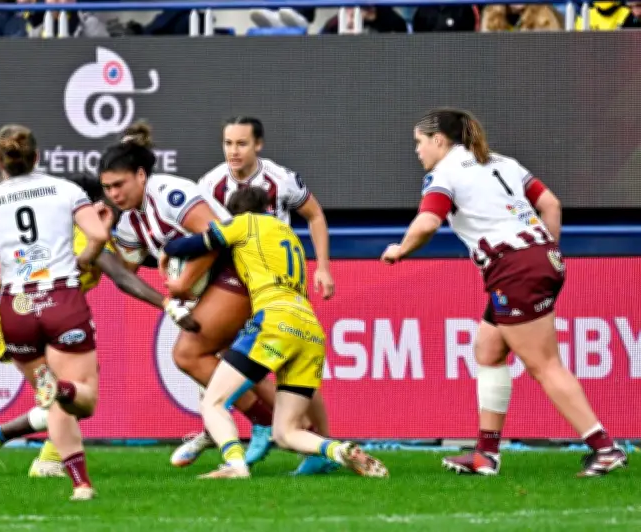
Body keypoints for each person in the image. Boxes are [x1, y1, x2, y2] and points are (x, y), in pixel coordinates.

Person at [380, 108, 628, 478]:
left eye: (419, 142)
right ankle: (486, 454)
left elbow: (429, 221)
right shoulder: (503, 162)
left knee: (544, 365)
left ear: (439, 140)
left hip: (514, 268)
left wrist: (400, 248)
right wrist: (547, 251)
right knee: (489, 348)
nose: (417, 151)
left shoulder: (444, 173)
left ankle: (604, 448)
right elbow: (551, 205)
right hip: (536, 260)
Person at [0, 172, 198, 479]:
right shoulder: (80, 234)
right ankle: (47, 461)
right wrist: (168, 305)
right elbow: (122, 277)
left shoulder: (72, 228)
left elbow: (130, 260)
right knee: (73, 392)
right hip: (33, 317)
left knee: (66, 392)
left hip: (23, 315)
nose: (113, 202)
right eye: (106, 197)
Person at [160, 186, 388, 479]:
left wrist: (166, 252)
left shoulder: (244, 223)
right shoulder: (288, 235)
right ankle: (338, 450)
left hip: (273, 320)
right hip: (309, 328)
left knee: (213, 401)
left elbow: (197, 243)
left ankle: (235, 464)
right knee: (286, 431)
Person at [100, 122, 279, 454]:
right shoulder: (128, 221)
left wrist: (182, 282)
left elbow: (217, 236)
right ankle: (306, 436)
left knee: (188, 354)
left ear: (141, 175)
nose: (113, 194)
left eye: (119, 185)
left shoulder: (167, 192)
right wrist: (103, 235)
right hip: (221, 283)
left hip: (240, 267)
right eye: (107, 188)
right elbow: (126, 276)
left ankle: (264, 424)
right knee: (237, 363)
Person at [173, 117, 337, 475]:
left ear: (258, 145)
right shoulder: (210, 183)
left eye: (241, 143)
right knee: (220, 355)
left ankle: (302, 439)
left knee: (261, 361)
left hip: (270, 283)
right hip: (235, 277)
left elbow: (315, 215)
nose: (234, 151)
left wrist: (323, 266)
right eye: (228, 143)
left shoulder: (281, 179)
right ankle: (244, 428)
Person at [0, 124, 108, 501]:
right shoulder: (66, 190)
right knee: (82, 400)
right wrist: (83, 260)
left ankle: (80, 483)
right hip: (60, 297)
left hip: (17, 306)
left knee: (49, 397)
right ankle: (78, 475)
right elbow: (98, 236)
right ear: (38, 157)